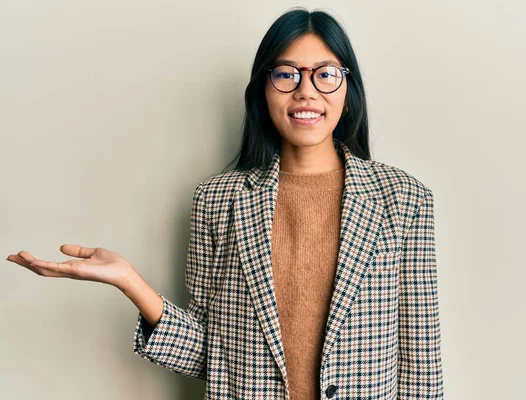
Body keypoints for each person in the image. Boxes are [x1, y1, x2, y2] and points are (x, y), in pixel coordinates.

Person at [6, 7, 443, 399]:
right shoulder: (216, 201)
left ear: (348, 88)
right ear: (263, 89)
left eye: (325, 73)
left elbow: (421, 362)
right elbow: (209, 357)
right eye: (287, 73)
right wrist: (130, 282)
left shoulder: (403, 200)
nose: (306, 91)